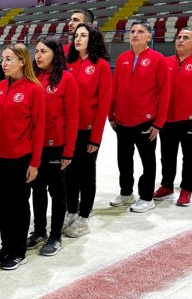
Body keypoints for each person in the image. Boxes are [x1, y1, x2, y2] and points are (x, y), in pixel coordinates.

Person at [0, 43, 45, 270]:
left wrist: (35, 163)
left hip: (20, 158)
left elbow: (39, 129)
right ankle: (6, 246)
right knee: (3, 205)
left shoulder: (34, 89)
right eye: (3, 59)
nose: (4, 63)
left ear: (23, 61)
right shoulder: (1, 86)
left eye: (9, 59)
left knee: (18, 205)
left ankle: (18, 250)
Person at [108, 20, 170, 212]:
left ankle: (146, 197)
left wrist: (159, 123)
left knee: (147, 160)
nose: (135, 34)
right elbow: (115, 88)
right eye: (132, 31)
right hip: (122, 121)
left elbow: (165, 92)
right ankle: (126, 193)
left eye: (140, 31)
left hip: (146, 121)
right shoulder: (122, 58)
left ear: (149, 36)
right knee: (124, 159)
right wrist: (111, 114)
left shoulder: (158, 59)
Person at [25, 37, 78, 256]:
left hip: (56, 146)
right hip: (35, 147)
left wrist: (68, 151)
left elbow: (73, 118)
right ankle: (39, 231)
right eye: (36, 51)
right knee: (37, 190)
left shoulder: (66, 79)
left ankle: (55, 236)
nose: (37, 55)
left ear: (55, 54)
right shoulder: (32, 78)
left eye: (43, 51)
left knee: (57, 191)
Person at [153, 28, 192, 206]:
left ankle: (186, 189)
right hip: (166, 119)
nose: (181, 40)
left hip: (191, 119)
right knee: (167, 155)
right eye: (179, 37)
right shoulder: (164, 62)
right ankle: (166, 186)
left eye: (186, 38)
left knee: (190, 157)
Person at [62, 23, 112, 237]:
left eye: (83, 35)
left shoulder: (100, 66)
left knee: (86, 174)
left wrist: (96, 137)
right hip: (68, 130)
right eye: (76, 35)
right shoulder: (67, 63)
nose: (78, 39)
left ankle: (83, 217)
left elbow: (103, 104)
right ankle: (71, 211)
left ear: (92, 39)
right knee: (69, 174)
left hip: (88, 131)